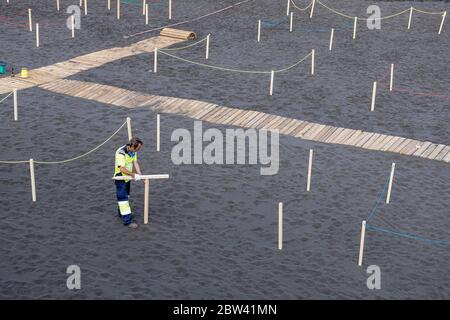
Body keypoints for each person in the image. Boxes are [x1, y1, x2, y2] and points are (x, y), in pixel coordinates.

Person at [113, 137, 144, 229]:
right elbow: (121, 168)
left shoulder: (133, 152)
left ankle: (121, 213)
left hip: (127, 177)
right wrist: (134, 175)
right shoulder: (120, 153)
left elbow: (135, 163)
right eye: (138, 148)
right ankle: (127, 221)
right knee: (123, 199)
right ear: (132, 146)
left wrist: (140, 175)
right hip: (120, 177)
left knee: (126, 196)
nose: (138, 150)